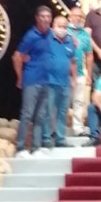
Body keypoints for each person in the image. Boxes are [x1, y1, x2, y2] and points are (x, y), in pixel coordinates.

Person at [12, 5, 57, 153]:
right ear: (37, 18)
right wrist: (20, 77)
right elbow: (17, 56)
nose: (46, 19)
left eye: (48, 17)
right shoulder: (31, 36)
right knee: (27, 114)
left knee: (41, 116)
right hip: (32, 80)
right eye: (42, 16)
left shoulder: (51, 33)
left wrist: (74, 39)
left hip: (46, 81)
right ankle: (20, 146)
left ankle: (36, 146)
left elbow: (65, 36)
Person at [45, 13, 76, 149]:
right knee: (48, 111)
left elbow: (73, 62)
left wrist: (74, 79)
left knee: (62, 112)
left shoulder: (70, 41)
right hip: (49, 82)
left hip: (65, 83)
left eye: (65, 26)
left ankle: (60, 138)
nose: (62, 28)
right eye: (59, 26)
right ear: (53, 26)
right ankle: (46, 138)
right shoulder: (46, 39)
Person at [65, 5, 93, 135]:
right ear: (70, 16)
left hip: (80, 73)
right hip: (63, 74)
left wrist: (89, 74)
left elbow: (89, 55)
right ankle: (60, 129)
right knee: (62, 102)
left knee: (79, 101)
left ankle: (77, 128)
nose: (78, 18)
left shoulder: (85, 35)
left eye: (80, 16)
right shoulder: (64, 31)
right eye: (75, 15)